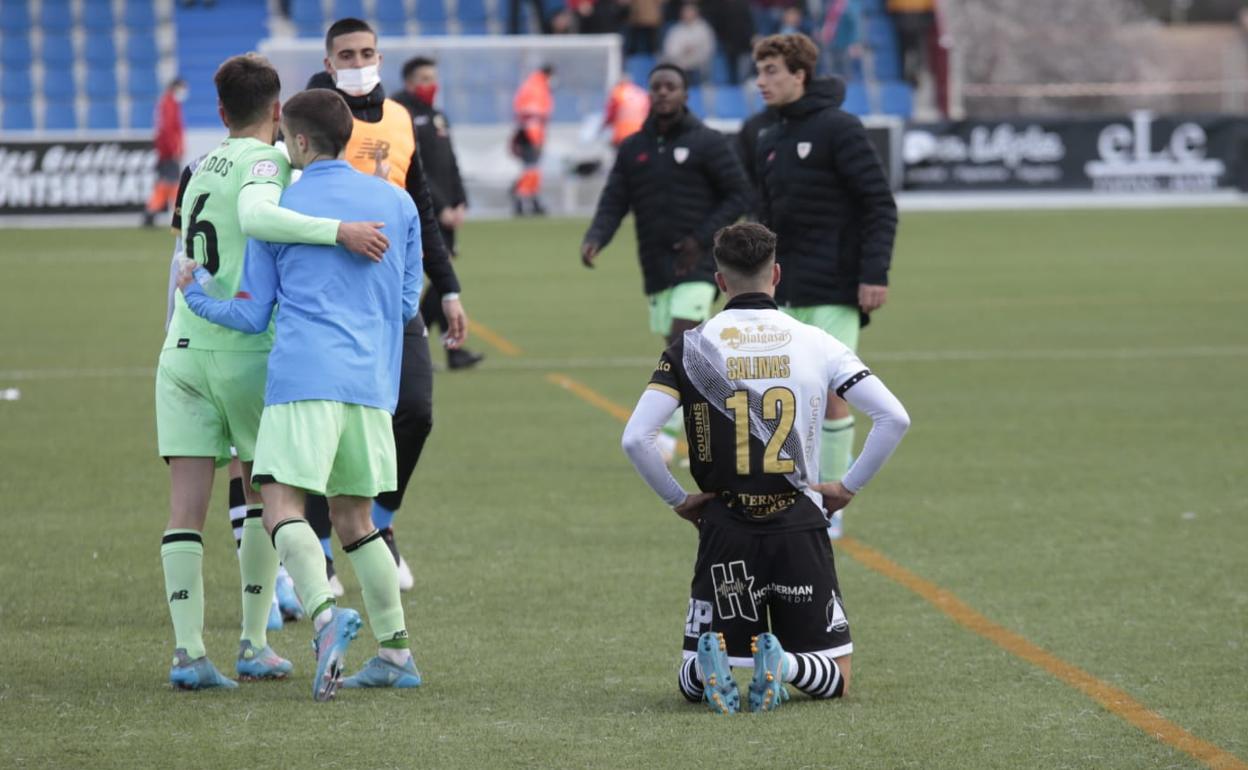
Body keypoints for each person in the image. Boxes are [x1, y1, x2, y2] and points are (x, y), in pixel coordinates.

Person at [179, 88, 425, 700]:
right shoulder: (397, 202)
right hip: (371, 383)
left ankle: (323, 612)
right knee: (356, 517)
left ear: (302, 142)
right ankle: (395, 652)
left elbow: (252, 312)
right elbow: (404, 304)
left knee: (279, 501)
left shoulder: (284, 206)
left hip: (303, 378)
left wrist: (195, 294)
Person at [621, 222, 910, 714]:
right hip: (798, 523)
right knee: (835, 678)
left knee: (691, 683)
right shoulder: (818, 342)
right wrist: (847, 487)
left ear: (720, 281)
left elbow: (636, 438)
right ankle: (785, 665)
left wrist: (680, 500)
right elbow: (893, 417)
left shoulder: (690, 347)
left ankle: (708, 665)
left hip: (725, 526)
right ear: (776, 274)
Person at [305, 17, 474, 593]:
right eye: (346, 54)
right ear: (328, 63)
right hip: (326, 300)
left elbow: (420, 204)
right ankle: (321, 544)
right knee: (325, 427)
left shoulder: (401, 118)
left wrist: (446, 287)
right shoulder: (312, 116)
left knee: (416, 412)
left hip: (393, 297)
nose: (358, 62)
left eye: (367, 52)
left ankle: (379, 522)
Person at [752, 34, 898, 540]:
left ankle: (826, 503)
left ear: (800, 75)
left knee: (833, 391)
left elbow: (879, 203)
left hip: (836, 287)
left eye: (771, 70)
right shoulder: (768, 138)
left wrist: (874, 273)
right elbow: (765, 219)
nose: (761, 81)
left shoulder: (840, 128)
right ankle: (795, 490)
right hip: (784, 291)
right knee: (789, 395)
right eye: (760, 71)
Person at [582, 63, 751, 462]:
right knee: (682, 351)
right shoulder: (634, 147)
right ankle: (728, 409)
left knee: (682, 341)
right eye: (656, 86)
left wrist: (704, 238)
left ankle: (672, 436)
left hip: (698, 263)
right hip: (655, 265)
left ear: (685, 94)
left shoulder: (707, 142)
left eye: (671, 87)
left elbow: (739, 194)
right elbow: (614, 200)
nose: (662, 93)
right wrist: (596, 237)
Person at [392, 55, 484, 371]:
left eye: (433, 78)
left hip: (445, 211)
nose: (432, 85)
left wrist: (460, 200)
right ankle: (414, 342)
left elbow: (450, 162)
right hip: (421, 211)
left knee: (440, 278)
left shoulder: (438, 116)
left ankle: (445, 347)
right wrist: (441, 206)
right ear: (409, 83)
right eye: (425, 79)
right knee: (435, 278)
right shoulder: (400, 116)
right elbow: (416, 171)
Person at [511, 64, 555, 216]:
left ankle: (533, 202)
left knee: (532, 170)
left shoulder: (531, 85)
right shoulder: (538, 88)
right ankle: (522, 201)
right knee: (531, 169)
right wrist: (536, 139)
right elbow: (534, 116)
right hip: (531, 135)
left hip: (527, 133)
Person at [143, 78, 187, 227]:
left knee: (165, 183)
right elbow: (169, 129)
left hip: (164, 151)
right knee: (173, 183)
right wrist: (174, 149)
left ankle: (152, 211)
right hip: (168, 151)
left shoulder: (166, 103)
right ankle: (177, 215)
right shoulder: (169, 104)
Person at [661, 3, 717, 87]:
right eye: (685, 13)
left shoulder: (704, 29)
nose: (687, 15)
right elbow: (669, 50)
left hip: (698, 66)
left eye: (690, 12)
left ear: (696, 13)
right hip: (680, 65)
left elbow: (709, 48)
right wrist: (682, 51)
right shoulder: (675, 30)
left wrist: (694, 53)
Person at [602, 73, 650, 147]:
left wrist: (603, 126)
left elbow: (611, 114)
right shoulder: (641, 93)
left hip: (622, 135)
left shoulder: (618, 93)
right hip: (639, 134)